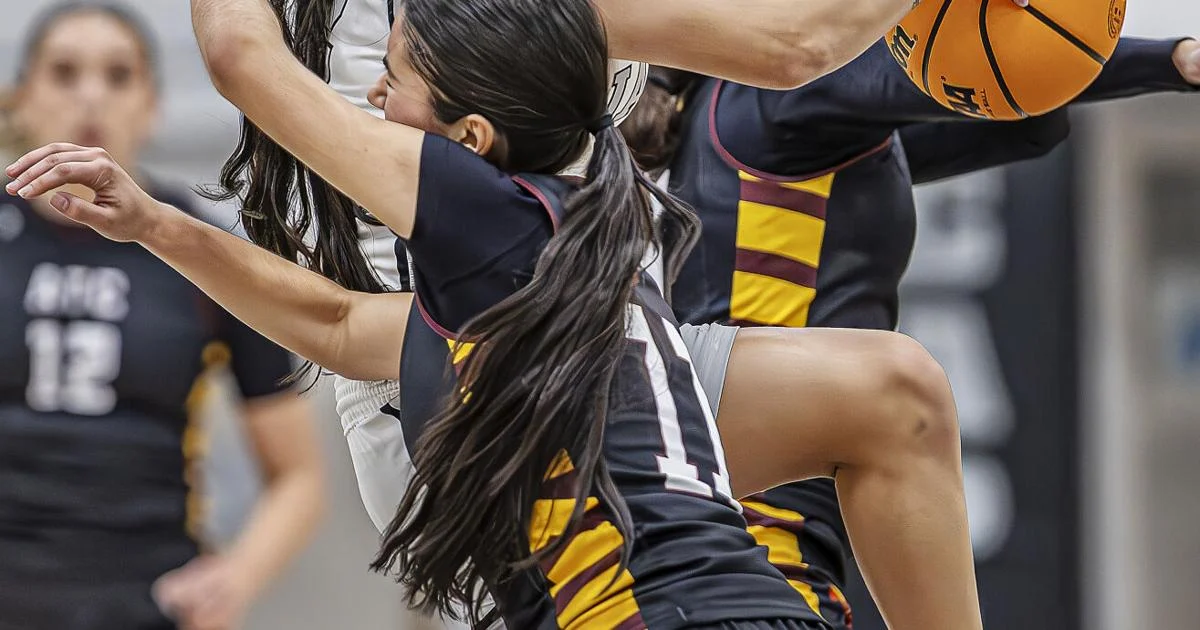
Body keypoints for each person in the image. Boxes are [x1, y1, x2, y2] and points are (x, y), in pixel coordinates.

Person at [8, 0, 986, 628]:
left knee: (892, 397)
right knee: (895, 393)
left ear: (467, 134)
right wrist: (155, 227)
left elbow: (239, 65)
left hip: (652, 573)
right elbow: (345, 327)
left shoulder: (493, 221)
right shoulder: (540, 233)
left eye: (393, 85)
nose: (374, 96)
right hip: (461, 418)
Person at [617, 35, 1200, 630]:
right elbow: (999, 70)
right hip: (765, 526)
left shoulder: (753, 111)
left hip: (754, 507)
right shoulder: (781, 94)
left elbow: (1029, 118)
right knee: (908, 398)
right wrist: (1177, 59)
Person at [0, 4, 326, 629]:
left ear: (151, 104)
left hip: (144, 596)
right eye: (64, 72)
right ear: (20, 100)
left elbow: (298, 475)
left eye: (119, 75)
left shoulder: (200, 248)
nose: (91, 95)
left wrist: (234, 579)